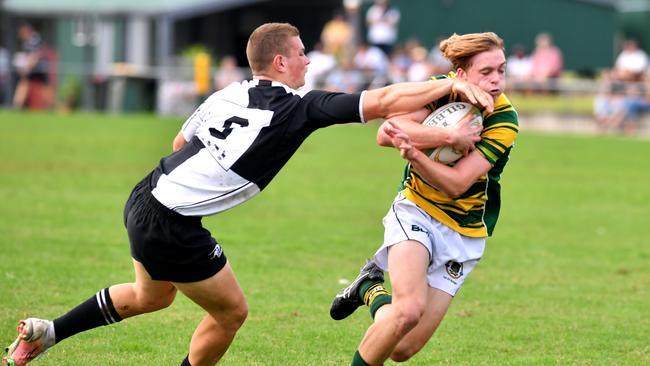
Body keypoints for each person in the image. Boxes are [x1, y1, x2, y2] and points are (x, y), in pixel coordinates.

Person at [2, 22, 494, 366]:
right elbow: (385, 100)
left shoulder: (228, 93)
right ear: (281, 61)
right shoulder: (300, 107)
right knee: (231, 313)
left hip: (146, 197)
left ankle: (48, 332)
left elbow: (180, 143)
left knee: (151, 297)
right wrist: (449, 85)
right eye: (302, 53)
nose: (308, 59)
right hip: (172, 225)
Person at [329, 32, 519, 366]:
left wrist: (416, 155)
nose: (496, 80)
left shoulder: (503, 119)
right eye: (486, 72)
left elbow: (458, 183)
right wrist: (448, 136)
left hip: (464, 232)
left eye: (501, 70)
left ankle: (368, 288)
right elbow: (386, 132)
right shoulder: (438, 90)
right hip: (416, 210)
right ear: (461, 75)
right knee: (407, 310)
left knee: (403, 348)